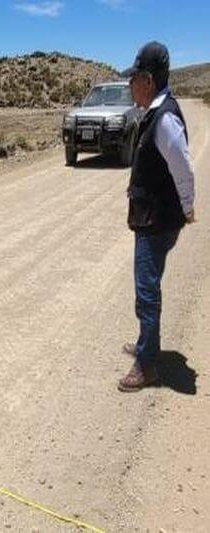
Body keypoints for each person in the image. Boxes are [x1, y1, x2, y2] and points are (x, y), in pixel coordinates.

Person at [119, 41, 196, 392]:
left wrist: (187, 207)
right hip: (153, 217)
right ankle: (146, 343)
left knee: (146, 291)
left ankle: (147, 365)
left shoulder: (164, 119)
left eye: (134, 79)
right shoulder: (155, 111)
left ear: (147, 80)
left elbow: (183, 167)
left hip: (157, 221)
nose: (130, 85)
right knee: (148, 286)